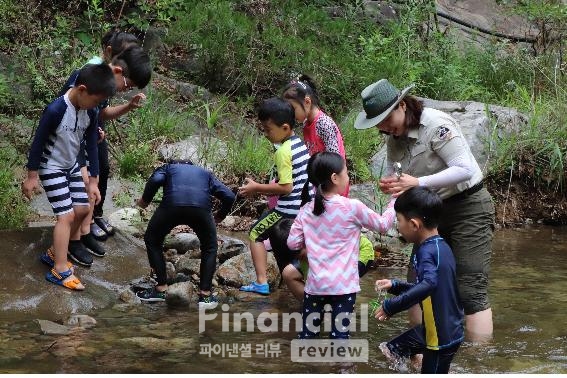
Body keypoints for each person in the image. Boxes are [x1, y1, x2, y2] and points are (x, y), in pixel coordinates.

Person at [354, 78, 495, 341]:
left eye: (387, 119)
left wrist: (418, 183)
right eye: (378, 123)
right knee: (417, 283)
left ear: (403, 106)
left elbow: (464, 168)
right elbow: (398, 176)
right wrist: (393, 187)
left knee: (470, 289)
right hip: (430, 212)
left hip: (469, 206)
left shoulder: (436, 125)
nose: (384, 127)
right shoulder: (393, 140)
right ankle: (419, 351)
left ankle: (478, 361)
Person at [21, 63, 116, 290]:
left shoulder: (89, 112)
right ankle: (60, 269)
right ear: (81, 89)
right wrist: (32, 176)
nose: (96, 107)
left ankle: (55, 251)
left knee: (83, 210)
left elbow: (92, 144)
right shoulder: (56, 110)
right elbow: (38, 143)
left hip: (72, 165)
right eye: (96, 101)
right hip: (51, 166)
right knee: (66, 216)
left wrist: (93, 181)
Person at [57, 42, 152, 266]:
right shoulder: (90, 76)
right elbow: (65, 110)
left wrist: (128, 106)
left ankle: (83, 233)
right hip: (72, 141)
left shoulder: (106, 84)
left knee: (93, 185)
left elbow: (98, 114)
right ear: (118, 71)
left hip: (88, 137)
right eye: (128, 86)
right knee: (82, 188)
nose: (126, 89)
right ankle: (72, 241)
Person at [287, 152, 396, 339]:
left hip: (316, 285)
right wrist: (394, 201)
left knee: (307, 334)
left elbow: (292, 243)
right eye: (346, 172)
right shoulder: (352, 207)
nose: (348, 177)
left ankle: (305, 366)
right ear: (334, 178)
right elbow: (384, 226)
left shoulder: (306, 210)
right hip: (343, 287)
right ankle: (340, 367)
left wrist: (309, 244)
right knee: (340, 336)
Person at [374, 186, 464, 374]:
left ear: (414, 225)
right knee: (393, 349)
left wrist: (392, 306)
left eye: (398, 220)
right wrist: (395, 286)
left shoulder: (425, 252)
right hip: (447, 328)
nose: (397, 226)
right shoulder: (441, 246)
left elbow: (428, 285)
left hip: (439, 338)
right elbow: (430, 287)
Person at [134, 159, 236, 308]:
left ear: (176, 164)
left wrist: (145, 201)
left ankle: (161, 289)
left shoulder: (168, 167)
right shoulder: (205, 173)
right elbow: (229, 196)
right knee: (210, 247)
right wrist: (220, 216)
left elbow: (155, 179)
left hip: (171, 207)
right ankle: (205, 296)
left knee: (152, 239)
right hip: (200, 210)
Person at [238, 97, 310, 295]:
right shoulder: (300, 144)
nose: (266, 134)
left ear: (285, 128)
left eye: (268, 130)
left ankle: (261, 282)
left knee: (254, 233)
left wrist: (256, 188)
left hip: (287, 210)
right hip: (303, 209)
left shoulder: (283, 152)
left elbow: (286, 187)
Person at [282, 74, 349, 196]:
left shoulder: (323, 123)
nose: (290, 114)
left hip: (333, 185)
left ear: (307, 102)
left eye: (293, 109)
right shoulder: (306, 123)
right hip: (318, 184)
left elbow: (335, 160)